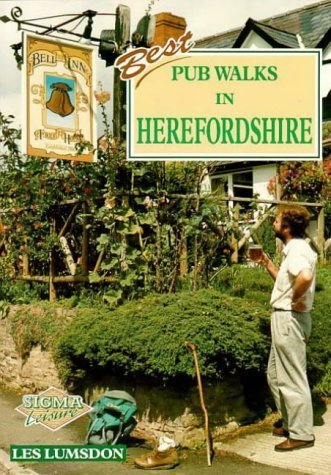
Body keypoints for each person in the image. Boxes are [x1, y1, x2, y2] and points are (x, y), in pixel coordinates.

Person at [251, 204, 317, 451]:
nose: (273, 224)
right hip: (286, 317)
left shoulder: (297, 250)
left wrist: (296, 300)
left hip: (289, 318)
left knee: (292, 378)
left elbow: (305, 277)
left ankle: (301, 433)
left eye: (276, 221)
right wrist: (267, 263)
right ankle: (291, 422)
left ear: (287, 227)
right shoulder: (296, 249)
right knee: (276, 375)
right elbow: (290, 280)